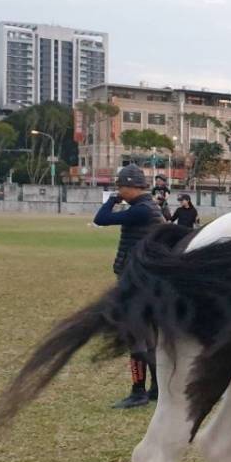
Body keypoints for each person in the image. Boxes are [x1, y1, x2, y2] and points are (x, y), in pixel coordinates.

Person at [93, 164, 165, 409]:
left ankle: (138, 391)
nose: (119, 191)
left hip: (137, 282)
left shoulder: (141, 210)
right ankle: (156, 388)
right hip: (146, 280)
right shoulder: (146, 207)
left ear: (132, 187)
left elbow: (101, 219)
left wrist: (112, 200)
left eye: (121, 187)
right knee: (150, 338)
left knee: (136, 338)